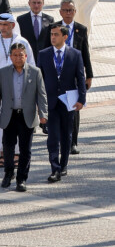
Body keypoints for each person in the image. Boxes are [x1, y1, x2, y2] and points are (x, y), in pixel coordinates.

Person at [0, 41, 48, 192]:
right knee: (8, 148)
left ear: (26, 56)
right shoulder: (3, 72)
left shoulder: (35, 72)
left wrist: (43, 114)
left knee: (25, 150)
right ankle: (8, 172)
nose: (18, 58)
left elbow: (41, 95)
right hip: (9, 116)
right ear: (10, 57)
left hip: (27, 116)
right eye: (15, 55)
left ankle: (21, 178)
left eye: (21, 55)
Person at [0, 13, 35, 164]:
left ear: (12, 25)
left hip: (19, 91)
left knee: (18, 121)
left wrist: (32, 90)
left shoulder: (22, 42)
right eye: (1, 25)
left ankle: (16, 153)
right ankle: (2, 154)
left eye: (6, 25)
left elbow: (32, 66)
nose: (3, 28)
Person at [38, 23, 86, 182]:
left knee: (66, 135)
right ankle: (55, 168)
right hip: (50, 102)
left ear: (65, 37)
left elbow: (80, 78)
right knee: (52, 137)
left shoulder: (75, 54)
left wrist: (81, 100)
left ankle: (63, 165)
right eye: (51, 34)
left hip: (68, 102)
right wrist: (39, 103)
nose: (53, 37)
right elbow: (40, 81)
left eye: (56, 34)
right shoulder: (43, 54)